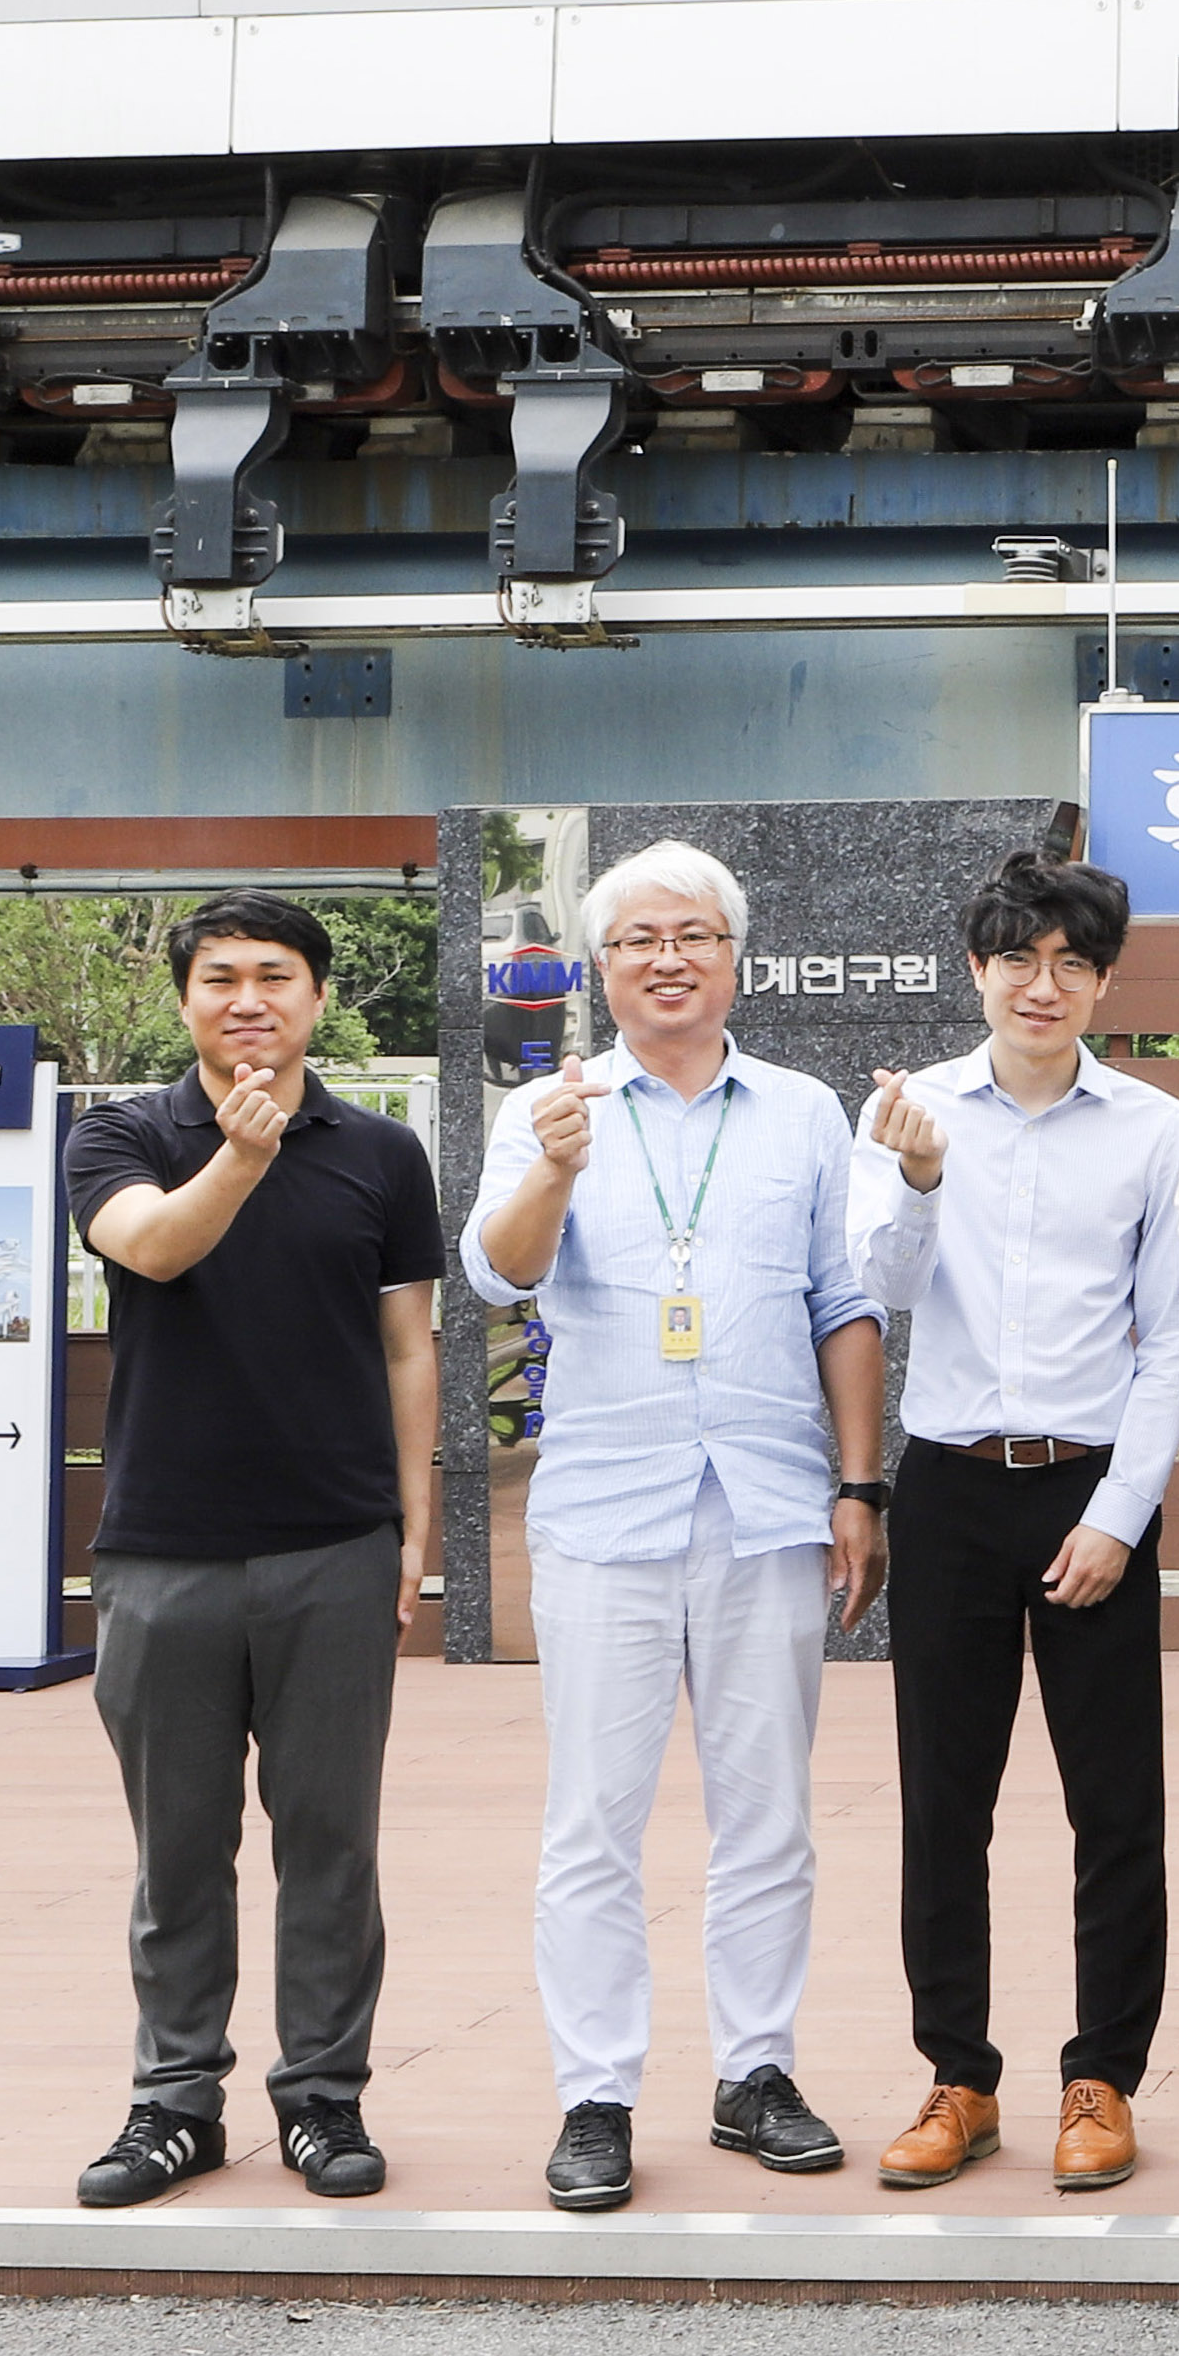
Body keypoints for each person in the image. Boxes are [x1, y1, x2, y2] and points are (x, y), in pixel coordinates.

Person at [464, 840, 887, 2216]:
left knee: (767, 1814)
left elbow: (842, 1299)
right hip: (604, 1510)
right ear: (602, 969)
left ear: (733, 958)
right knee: (595, 1817)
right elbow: (495, 1273)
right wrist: (553, 1171)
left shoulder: (806, 1112)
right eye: (638, 937)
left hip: (766, 1503)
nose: (667, 957)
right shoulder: (552, 1105)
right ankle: (595, 2093)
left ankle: (754, 2073)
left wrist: (858, 1483)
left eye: (693, 935)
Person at [58, 892, 443, 2209]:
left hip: (336, 1546)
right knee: (179, 1849)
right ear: (184, 1002)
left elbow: (408, 1344)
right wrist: (238, 1154)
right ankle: (175, 2102)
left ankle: (324, 2097)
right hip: (164, 1550)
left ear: (317, 998)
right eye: (218, 977)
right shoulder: (121, 1134)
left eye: (274, 976)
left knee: (331, 1840)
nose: (247, 999)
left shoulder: (384, 1154)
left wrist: (413, 1525)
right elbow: (153, 1249)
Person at [845, 848, 1179, 2199]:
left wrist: (1121, 1511)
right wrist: (920, 1183)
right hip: (946, 1486)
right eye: (1016, 958)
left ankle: (1101, 2075)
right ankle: (960, 2075)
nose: (1040, 984)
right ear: (976, 968)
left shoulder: (1154, 1127)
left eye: (1070, 962)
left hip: (1086, 1486)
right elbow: (873, 1294)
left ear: (1103, 979)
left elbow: (1172, 1337)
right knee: (947, 1800)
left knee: (1116, 1804)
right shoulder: (905, 1107)